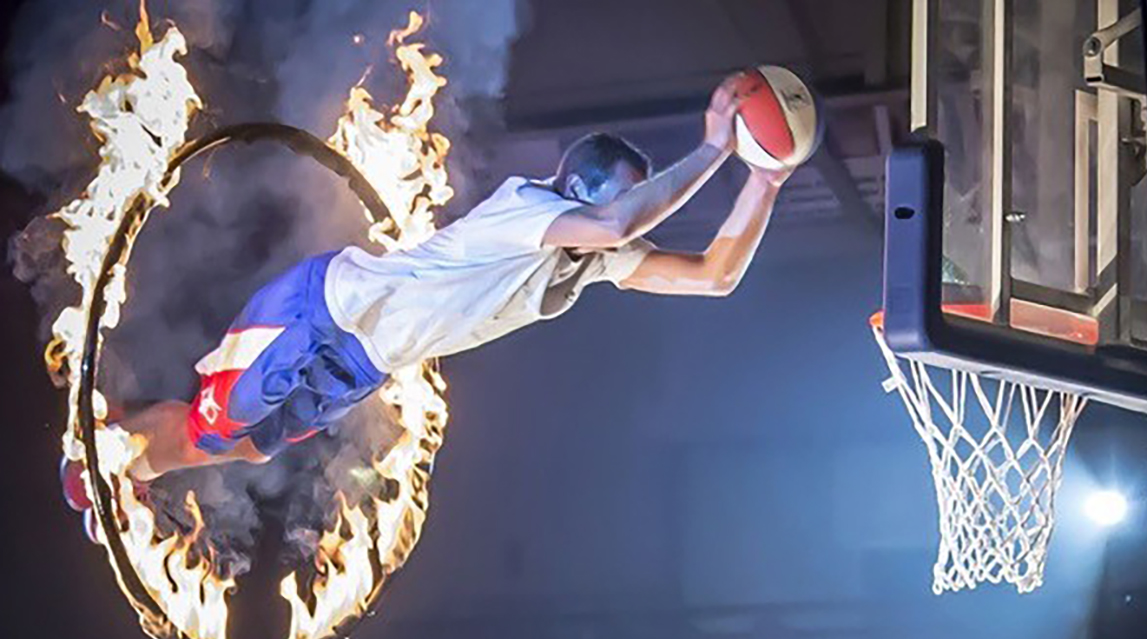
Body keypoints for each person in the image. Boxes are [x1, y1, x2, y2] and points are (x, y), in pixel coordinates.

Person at [61, 73, 796, 521]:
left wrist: (764, 183)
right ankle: (102, 447)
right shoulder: (529, 207)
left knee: (249, 448)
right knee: (213, 425)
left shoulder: (593, 261)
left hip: (363, 364)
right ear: (578, 187)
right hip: (326, 310)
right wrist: (716, 147)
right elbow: (616, 224)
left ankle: (132, 467)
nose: (635, 215)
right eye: (625, 196)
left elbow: (714, 275)